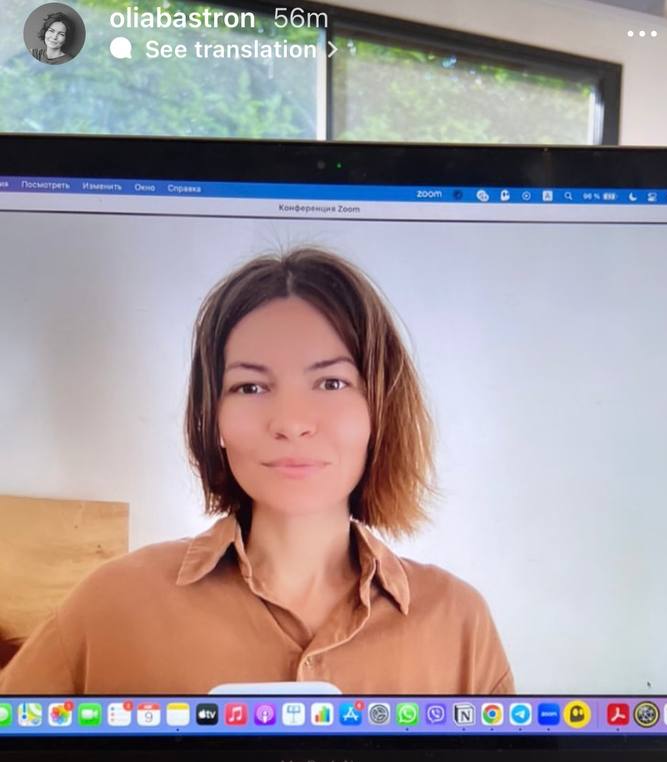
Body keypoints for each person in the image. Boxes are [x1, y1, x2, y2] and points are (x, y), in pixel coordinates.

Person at [0, 246, 515, 696]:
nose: (290, 422)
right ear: (214, 418)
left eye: (331, 383)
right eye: (250, 387)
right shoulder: (112, 603)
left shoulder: (459, 621)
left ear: (379, 409)